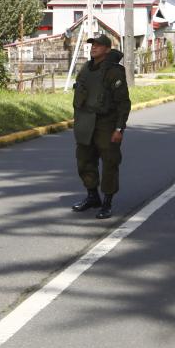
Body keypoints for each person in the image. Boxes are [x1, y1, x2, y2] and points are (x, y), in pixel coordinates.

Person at [71, 34, 131, 219]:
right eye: (92, 45)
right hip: (86, 122)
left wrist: (119, 129)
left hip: (106, 123)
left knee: (109, 163)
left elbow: (123, 103)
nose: (94, 47)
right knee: (84, 160)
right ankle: (92, 196)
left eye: (98, 45)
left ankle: (107, 202)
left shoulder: (114, 72)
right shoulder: (85, 69)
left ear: (107, 49)